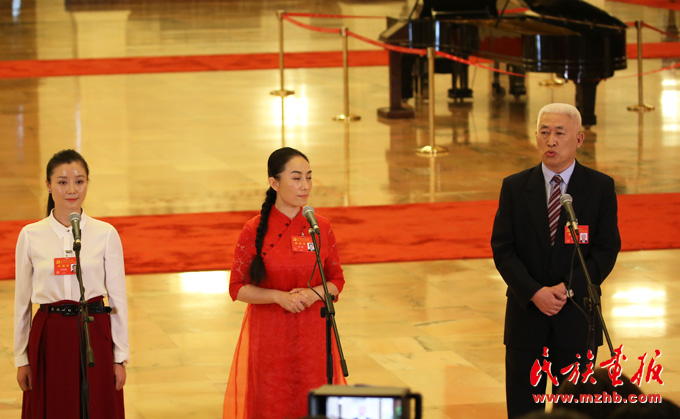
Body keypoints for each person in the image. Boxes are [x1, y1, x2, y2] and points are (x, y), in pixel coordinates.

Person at [490, 103, 621, 418]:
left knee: (576, 409)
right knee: (524, 407)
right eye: (544, 132)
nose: (551, 141)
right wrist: (535, 292)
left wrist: (567, 289)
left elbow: (606, 249)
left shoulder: (600, 187)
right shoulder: (515, 187)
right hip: (527, 315)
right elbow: (503, 248)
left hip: (576, 316)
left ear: (579, 139)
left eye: (560, 133)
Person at [223, 147, 346, 419]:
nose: (305, 186)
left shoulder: (320, 227)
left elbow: (336, 280)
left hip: (314, 334)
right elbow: (237, 287)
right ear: (274, 182)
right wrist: (279, 297)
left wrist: (313, 294)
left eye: (309, 177)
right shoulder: (253, 230)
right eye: (297, 178)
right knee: (272, 401)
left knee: (313, 400)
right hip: (270, 335)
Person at [14, 149, 129, 418]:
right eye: (62, 182)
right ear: (48, 185)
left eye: (79, 181)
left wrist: (119, 357)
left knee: (96, 405)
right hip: (50, 335)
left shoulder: (105, 234)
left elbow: (118, 301)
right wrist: (22, 358)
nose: (72, 190)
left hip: (94, 331)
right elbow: (22, 304)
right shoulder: (30, 235)